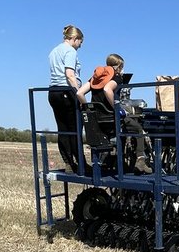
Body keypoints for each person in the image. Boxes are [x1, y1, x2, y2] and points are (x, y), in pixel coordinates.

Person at [83, 53, 152, 174]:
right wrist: (117, 108)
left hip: (98, 120)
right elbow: (107, 89)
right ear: (118, 66)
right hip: (112, 119)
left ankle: (117, 162)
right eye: (121, 67)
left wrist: (87, 109)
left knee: (122, 132)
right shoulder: (116, 77)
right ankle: (140, 160)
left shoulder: (95, 78)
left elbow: (79, 93)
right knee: (137, 129)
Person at [48, 25, 85, 172]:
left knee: (63, 128)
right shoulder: (70, 51)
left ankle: (68, 162)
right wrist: (78, 93)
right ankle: (81, 163)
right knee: (75, 128)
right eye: (80, 42)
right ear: (75, 39)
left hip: (53, 92)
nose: (80, 46)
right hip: (67, 91)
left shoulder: (54, 51)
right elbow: (70, 74)